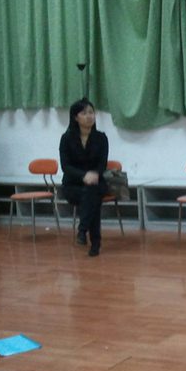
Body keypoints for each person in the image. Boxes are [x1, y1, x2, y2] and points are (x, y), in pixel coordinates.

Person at [60, 98, 109, 257]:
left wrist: (93, 175)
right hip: (73, 185)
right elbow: (66, 167)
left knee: (91, 191)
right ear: (75, 117)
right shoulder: (66, 139)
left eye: (91, 112)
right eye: (84, 113)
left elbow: (102, 165)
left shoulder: (101, 138)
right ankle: (95, 242)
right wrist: (84, 176)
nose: (89, 116)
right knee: (91, 198)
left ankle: (82, 230)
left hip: (96, 182)